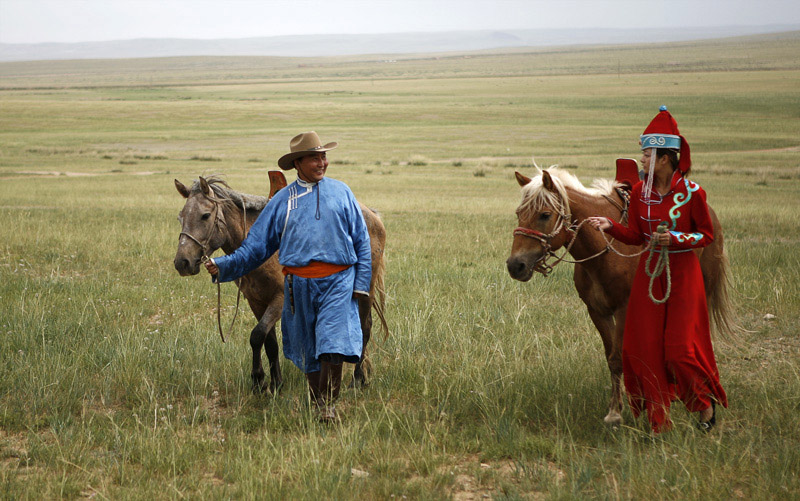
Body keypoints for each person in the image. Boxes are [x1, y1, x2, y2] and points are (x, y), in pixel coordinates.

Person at [204, 131, 371, 422]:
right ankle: (318, 401)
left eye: (324, 157)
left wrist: (360, 284)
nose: (322, 163)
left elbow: (361, 242)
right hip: (298, 285)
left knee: (332, 344)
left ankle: (327, 407)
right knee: (309, 347)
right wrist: (225, 266)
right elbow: (256, 247)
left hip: (338, 281)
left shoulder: (342, 192)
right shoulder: (282, 201)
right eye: (314, 158)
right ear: (297, 163)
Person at [587, 106, 727, 433]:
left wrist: (675, 238)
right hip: (650, 274)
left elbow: (705, 235)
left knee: (679, 351)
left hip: (683, 276)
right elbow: (637, 235)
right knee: (643, 347)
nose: (642, 160)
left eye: (647, 155)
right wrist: (609, 225)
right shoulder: (639, 193)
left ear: (665, 158)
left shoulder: (693, 194)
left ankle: (705, 411)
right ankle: (657, 422)